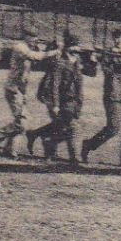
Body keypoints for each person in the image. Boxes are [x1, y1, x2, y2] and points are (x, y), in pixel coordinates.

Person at [81, 29, 121, 167]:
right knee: (113, 128)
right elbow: (104, 70)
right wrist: (100, 57)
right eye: (117, 37)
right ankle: (89, 144)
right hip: (112, 95)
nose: (120, 40)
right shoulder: (107, 54)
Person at [0, 36, 54, 157]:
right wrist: (55, 52)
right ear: (26, 38)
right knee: (23, 122)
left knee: (21, 121)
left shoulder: (27, 47)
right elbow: (35, 56)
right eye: (33, 39)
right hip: (13, 89)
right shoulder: (20, 47)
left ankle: (10, 149)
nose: (36, 42)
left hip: (19, 90)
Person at [26, 31, 85, 164]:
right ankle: (75, 158)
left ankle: (43, 141)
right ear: (68, 48)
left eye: (78, 48)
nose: (77, 51)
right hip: (59, 99)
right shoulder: (60, 63)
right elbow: (54, 85)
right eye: (74, 48)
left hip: (72, 100)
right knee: (73, 127)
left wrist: (79, 102)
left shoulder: (77, 62)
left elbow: (83, 80)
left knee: (61, 126)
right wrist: (56, 105)